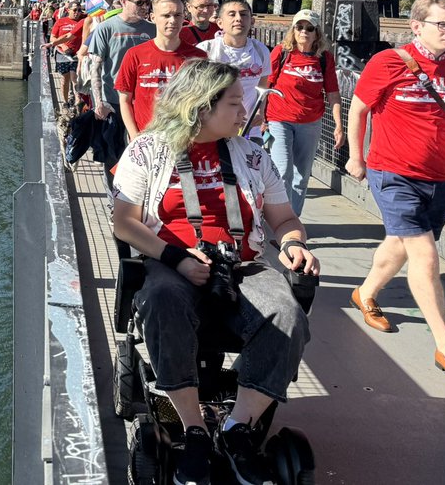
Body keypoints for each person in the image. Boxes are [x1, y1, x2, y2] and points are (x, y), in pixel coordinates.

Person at [113, 60, 318, 485]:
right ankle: (193, 428)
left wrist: (295, 243)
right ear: (200, 107)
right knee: (164, 300)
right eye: (234, 103)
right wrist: (176, 259)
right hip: (173, 262)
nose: (245, 112)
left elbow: (283, 218)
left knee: (287, 314)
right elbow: (124, 222)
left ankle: (236, 427)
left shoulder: (251, 154)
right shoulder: (147, 151)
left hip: (241, 265)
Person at [345, 0, 445, 382]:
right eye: (442, 23)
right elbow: (359, 108)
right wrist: (357, 157)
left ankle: (366, 293)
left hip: (440, 176)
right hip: (392, 172)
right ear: (417, 26)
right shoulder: (388, 62)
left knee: (400, 245)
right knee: (425, 253)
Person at [264, 9, 342, 216]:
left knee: (302, 174)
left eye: (309, 28)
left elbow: (333, 93)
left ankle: (294, 219)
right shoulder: (282, 53)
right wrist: (260, 117)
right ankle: (280, 221)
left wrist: (339, 125)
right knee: (283, 172)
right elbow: (266, 86)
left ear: (317, 33)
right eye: (299, 27)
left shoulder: (324, 58)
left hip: (310, 121)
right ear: (293, 30)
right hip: (279, 118)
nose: (303, 31)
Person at [80, 0, 155, 184]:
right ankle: (115, 199)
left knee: (142, 152)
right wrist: (99, 103)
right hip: (112, 101)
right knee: (112, 152)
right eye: (140, 2)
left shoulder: (153, 30)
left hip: (144, 102)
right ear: (124, 2)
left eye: (147, 3)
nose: (145, 7)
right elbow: (95, 68)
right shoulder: (106, 28)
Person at [115, 0, 203, 140]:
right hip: (145, 138)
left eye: (177, 15)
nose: (172, 20)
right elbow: (124, 100)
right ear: (153, 17)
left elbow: (203, 101)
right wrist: (135, 136)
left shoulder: (198, 57)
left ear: (184, 18)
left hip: (183, 139)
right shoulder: (135, 55)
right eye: (166, 15)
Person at [196, 0, 270, 138]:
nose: (238, 19)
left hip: (250, 128)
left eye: (243, 14)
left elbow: (263, 85)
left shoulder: (261, 50)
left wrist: (260, 111)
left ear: (252, 21)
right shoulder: (205, 50)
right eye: (232, 14)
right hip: (214, 130)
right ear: (220, 22)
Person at [48, 0, 87, 109]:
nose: (77, 12)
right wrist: (63, 45)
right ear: (68, 10)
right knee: (65, 79)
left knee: (75, 78)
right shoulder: (61, 21)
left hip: (77, 54)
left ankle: (77, 101)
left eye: (79, 10)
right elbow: (52, 37)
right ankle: (65, 102)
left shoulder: (84, 19)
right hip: (63, 54)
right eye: (74, 10)